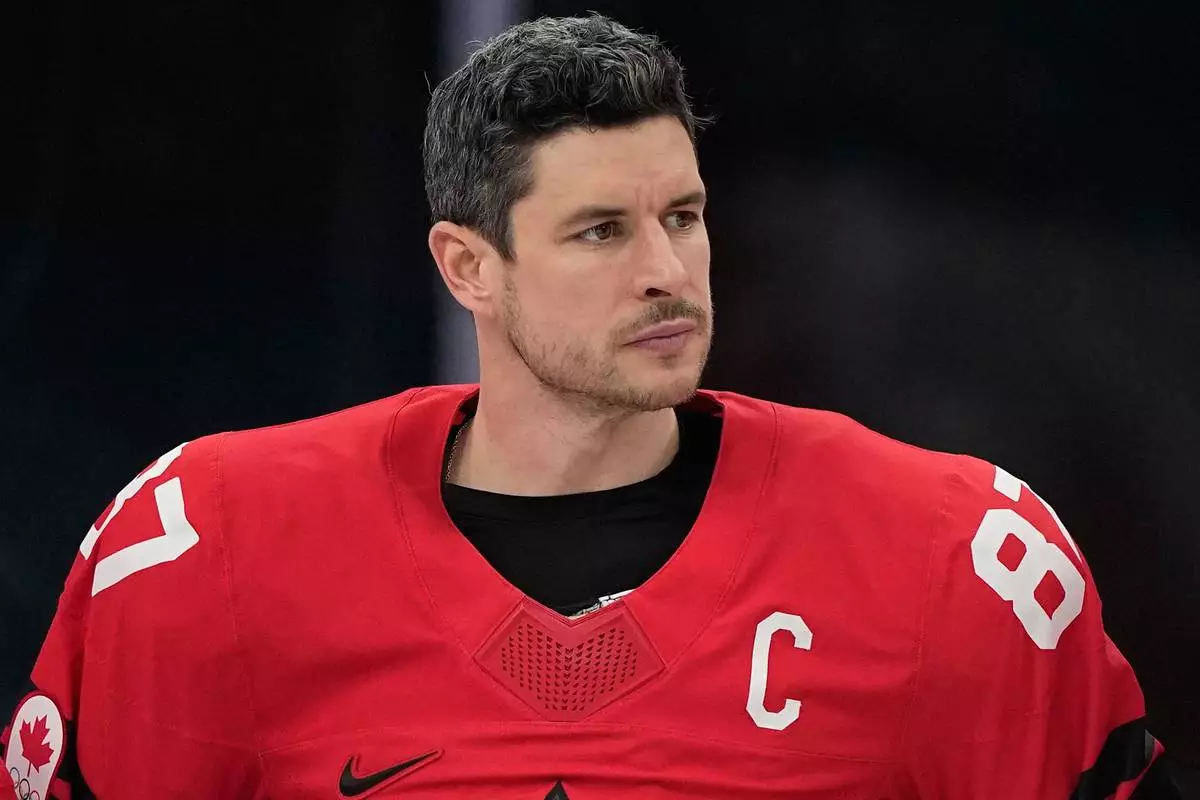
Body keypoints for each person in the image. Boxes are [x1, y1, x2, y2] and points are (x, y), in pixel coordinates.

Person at [2, 13, 1181, 800]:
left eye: (684, 216)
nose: (668, 271)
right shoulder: (206, 552)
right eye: (602, 231)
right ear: (469, 266)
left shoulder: (949, 559)